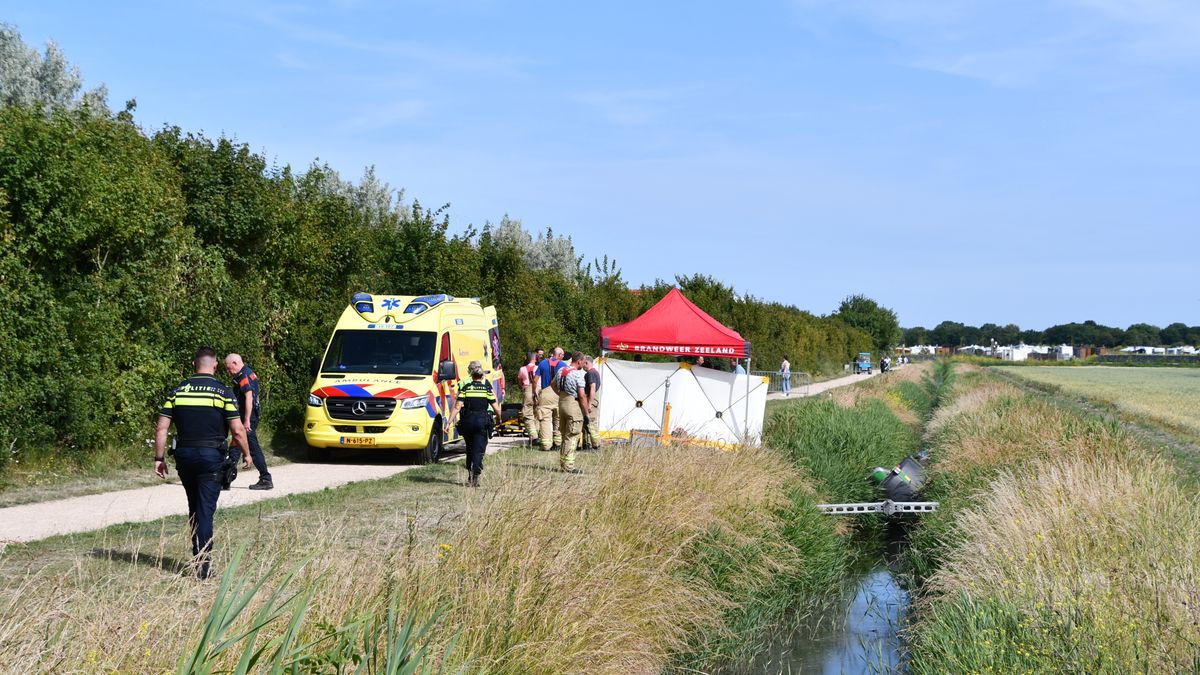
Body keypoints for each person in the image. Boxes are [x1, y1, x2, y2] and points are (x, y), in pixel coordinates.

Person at [153, 347, 250, 579]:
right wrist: (247, 454)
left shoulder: (178, 391)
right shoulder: (223, 392)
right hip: (211, 457)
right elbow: (237, 430)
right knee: (206, 510)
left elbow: (162, 427)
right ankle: (203, 566)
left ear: (194, 364)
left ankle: (197, 555)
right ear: (215, 365)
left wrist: (158, 458)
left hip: (184, 456)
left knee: (194, 506)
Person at [223, 353, 273, 490]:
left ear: (235, 363)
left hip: (248, 417)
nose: (228, 372)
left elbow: (249, 398)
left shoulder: (243, 376)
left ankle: (265, 478)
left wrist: (246, 421)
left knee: (251, 446)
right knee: (236, 444)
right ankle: (226, 479)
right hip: (248, 416)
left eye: (228, 369)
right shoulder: (248, 372)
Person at [449, 360, 501, 487]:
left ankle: (470, 471)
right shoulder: (486, 385)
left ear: (470, 372)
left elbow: (457, 405)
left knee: (470, 448)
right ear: (481, 373)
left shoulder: (464, 384)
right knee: (479, 449)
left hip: (467, 419)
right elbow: (495, 403)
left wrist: (449, 421)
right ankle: (475, 472)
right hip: (483, 419)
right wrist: (499, 417)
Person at [553, 352, 589, 472]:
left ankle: (563, 463)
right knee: (572, 436)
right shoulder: (578, 375)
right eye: (584, 362)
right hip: (572, 405)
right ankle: (569, 466)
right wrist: (586, 412)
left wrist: (562, 395)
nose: (584, 364)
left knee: (564, 435)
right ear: (579, 361)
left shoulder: (561, 370)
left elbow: (552, 385)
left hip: (561, 403)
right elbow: (582, 395)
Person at [534, 347, 568, 452]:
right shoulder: (563, 365)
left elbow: (535, 380)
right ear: (559, 355)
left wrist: (534, 392)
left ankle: (545, 445)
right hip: (558, 393)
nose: (563, 356)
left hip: (545, 394)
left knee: (545, 420)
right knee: (558, 419)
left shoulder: (543, 363)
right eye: (562, 355)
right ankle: (557, 444)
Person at [517, 351, 540, 447]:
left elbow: (519, 380)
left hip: (527, 390)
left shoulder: (522, 369)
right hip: (538, 390)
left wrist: (522, 387)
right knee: (537, 413)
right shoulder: (539, 368)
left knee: (527, 414)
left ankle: (533, 436)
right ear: (535, 359)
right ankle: (538, 434)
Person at [581, 355, 602, 450]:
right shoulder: (595, 372)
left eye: (583, 363)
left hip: (591, 400)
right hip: (592, 400)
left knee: (591, 423)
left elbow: (592, 388)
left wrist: (589, 404)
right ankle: (586, 444)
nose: (582, 365)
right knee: (586, 423)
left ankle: (596, 445)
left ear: (586, 363)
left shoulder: (590, 373)